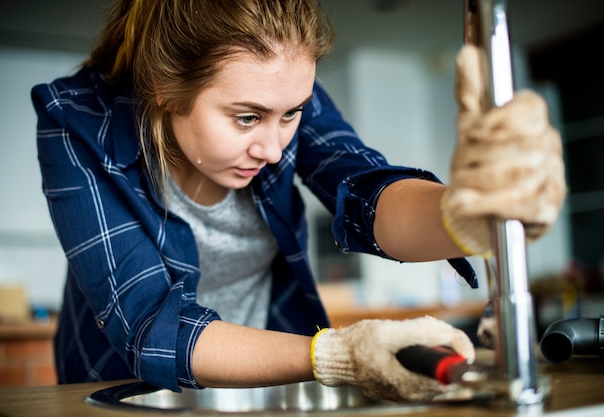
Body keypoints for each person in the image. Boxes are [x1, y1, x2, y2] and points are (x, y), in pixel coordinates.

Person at [31, 0, 565, 403]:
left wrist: (462, 213)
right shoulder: (75, 121)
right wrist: (334, 354)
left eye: (291, 115)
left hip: (268, 375)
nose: (272, 147)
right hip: (127, 391)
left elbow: (363, 189)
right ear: (166, 90)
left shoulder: (282, 91)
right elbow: (151, 324)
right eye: (246, 117)